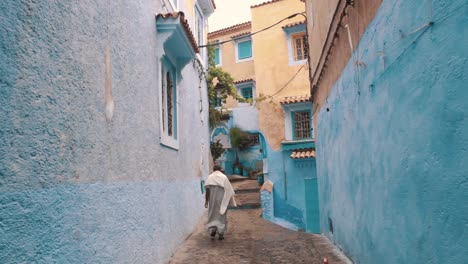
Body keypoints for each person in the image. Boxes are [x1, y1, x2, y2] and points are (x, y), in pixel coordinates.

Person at [204, 165, 237, 240]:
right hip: (221, 200)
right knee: (221, 214)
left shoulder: (210, 177)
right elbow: (229, 190)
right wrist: (230, 201)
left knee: (212, 214)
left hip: (212, 201)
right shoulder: (224, 177)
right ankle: (221, 233)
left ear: (213, 169)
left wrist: (206, 201)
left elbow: (207, 190)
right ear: (220, 169)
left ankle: (212, 230)